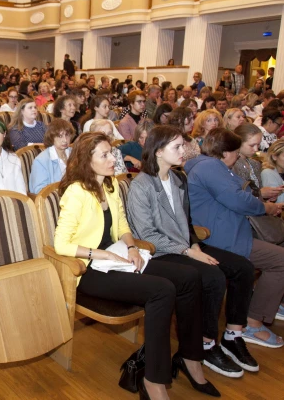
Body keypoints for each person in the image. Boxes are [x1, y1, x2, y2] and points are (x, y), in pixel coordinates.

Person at [54, 132, 213, 400]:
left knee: (189, 277)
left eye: (111, 153)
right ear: (86, 160)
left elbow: (124, 226)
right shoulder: (76, 192)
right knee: (162, 290)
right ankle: (153, 379)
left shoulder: (110, 185)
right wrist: (100, 255)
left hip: (118, 258)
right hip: (89, 270)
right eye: (104, 155)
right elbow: (61, 245)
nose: (112, 159)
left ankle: (190, 356)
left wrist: (130, 247)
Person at [127, 125, 258, 378]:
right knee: (213, 277)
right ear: (158, 152)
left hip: (186, 245)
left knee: (243, 267)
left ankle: (233, 334)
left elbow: (187, 221)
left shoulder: (178, 179)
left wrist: (195, 245)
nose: (184, 150)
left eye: (182, 145)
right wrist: (188, 251)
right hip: (162, 251)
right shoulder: (141, 186)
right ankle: (206, 344)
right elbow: (147, 236)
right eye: (177, 146)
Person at [186, 129, 284, 349]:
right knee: (280, 261)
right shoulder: (210, 167)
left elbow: (238, 194)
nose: (238, 157)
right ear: (225, 153)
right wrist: (264, 207)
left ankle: (265, 306)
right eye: (235, 152)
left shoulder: (207, 165)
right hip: (221, 238)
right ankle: (253, 321)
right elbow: (237, 199)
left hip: (228, 231)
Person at [232, 123, 284, 202]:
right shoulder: (231, 165)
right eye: (252, 145)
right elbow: (234, 195)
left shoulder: (255, 164)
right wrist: (260, 193)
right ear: (238, 142)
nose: (256, 149)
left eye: (258, 144)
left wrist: (268, 197)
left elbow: (260, 194)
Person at [29, 118, 75, 194]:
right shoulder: (41, 161)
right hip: (55, 201)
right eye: (60, 136)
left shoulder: (74, 153)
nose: (65, 140)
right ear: (52, 137)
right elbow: (40, 191)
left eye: (67, 135)